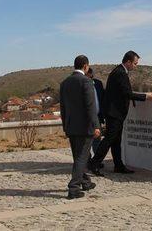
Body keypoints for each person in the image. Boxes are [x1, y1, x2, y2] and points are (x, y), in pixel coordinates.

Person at [88, 51, 152, 174]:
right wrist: (145, 96)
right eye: (135, 63)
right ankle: (94, 163)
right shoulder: (120, 73)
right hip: (114, 113)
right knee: (109, 139)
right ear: (128, 62)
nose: (136, 66)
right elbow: (127, 93)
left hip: (115, 113)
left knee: (116, 141)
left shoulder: (119, 71)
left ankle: (118, 165)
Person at [59, 55, 101, 199]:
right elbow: (91, 106)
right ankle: (74, 188)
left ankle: (85, 182)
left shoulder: (65, 83)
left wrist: (65, 126)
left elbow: (63, 108)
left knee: (78, 156)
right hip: (85, 127)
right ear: (85, 66)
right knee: (82, 157)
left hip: (71, 126)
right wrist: (96, 126)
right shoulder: (86, 82)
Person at [85, 67, 105, 159]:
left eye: (90, 75)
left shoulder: (98, 84)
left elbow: (103, 99)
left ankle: (96, 160)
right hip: (86, 118)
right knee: (86, 141)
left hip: (97, 117)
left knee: (97, 140)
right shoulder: (81, 84)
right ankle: (87, 159)